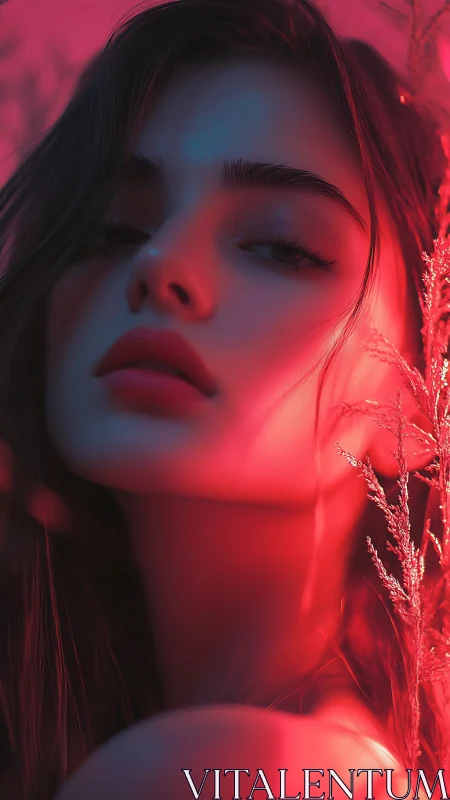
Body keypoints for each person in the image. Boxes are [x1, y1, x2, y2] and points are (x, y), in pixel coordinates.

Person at [0, 0, 446, 796]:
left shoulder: (208, 773)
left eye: (281, 245)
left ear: (423, 404)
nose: (160, 262)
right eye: (110, 229)